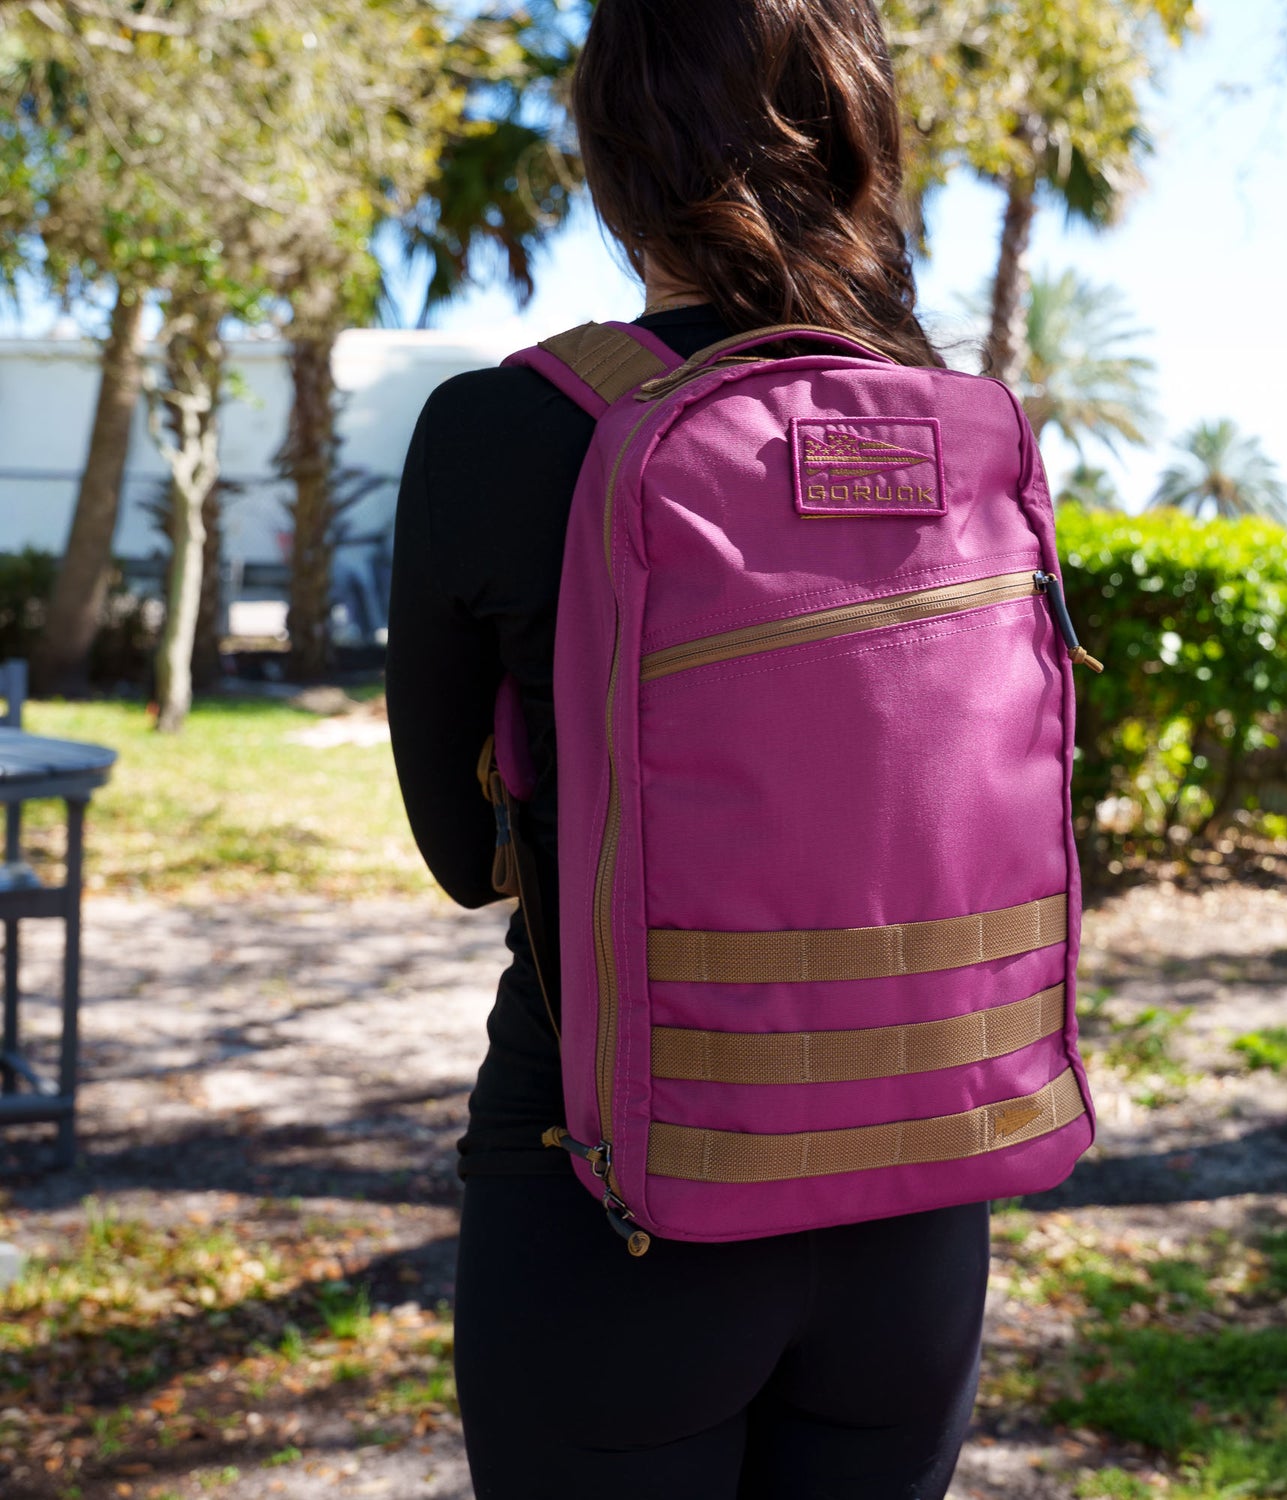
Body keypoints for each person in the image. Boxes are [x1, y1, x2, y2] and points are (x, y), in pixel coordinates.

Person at [386, 2, 993, 1494]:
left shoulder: (504, 430)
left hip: (612, 1195)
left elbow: (469, 860)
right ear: (862, 137)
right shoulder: (967, 436)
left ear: (615, 160)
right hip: (917, 1197)